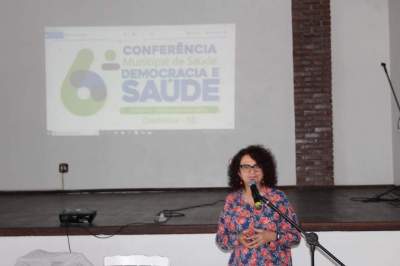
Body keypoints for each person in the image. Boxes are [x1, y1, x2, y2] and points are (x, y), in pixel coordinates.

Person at [216, 145, 300, 266]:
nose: (252, 171)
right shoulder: (232, 200)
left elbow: (295, 236)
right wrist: (238, 239)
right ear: (238, 172)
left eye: (257, 166)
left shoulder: (278, 198)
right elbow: (221, 240)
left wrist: (272, 236)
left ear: (264, 170)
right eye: (246, 167)